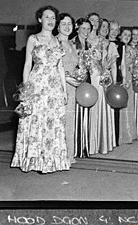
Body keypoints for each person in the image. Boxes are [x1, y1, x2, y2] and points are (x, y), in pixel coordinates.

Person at [11, 5, 70, 173]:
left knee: (53, 122)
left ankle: (51, 161)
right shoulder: (33, 39)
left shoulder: (58, 41)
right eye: (47, 17)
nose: (50, 21)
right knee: (36, 121)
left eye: (53, 18)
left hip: (54, 88)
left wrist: (64, 91)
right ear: (40, 19)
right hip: (37, 85)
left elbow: (60, 67)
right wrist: (25, 90)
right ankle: (34, 161)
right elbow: (27, 65)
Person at [87, 17, 118, 155]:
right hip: (93, 77)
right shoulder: (90, 42)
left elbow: (114, 66)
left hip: (106, 78)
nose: (105, 29)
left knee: (105, 107)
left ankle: (104, 143)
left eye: (107, 27)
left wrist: (115, 83)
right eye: (103, 26)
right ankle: (91, 143)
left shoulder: (111, 45)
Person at [56, 13, 79, 163]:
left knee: (69, 121)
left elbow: (74, 66)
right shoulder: (55, 42)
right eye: (63, 23)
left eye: (69, 23)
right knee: (59, 121)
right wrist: (68, 78)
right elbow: (53, 66)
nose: (67, 26)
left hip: (73, 87)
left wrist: (78, 75)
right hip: (59, 86)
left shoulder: (71, 44)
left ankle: (68, 155)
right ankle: (57, 157)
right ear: (57, 26)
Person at [71, 18, 92, 158]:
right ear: (77, 28)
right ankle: (76, 147)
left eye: (88, 29)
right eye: (83, 28)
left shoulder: (89, 45)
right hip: (75, 81)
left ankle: (83, 145)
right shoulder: (72, 43)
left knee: (85, 114)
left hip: (87, 81)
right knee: (76, 114)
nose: (86, 31)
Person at [119, 28, 137, 144]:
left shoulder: (130, 49)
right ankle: (123, 135)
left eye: (129, 35)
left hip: (130, 77)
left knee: (129, 104)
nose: (127, 36)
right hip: (122, 77)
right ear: (120, 35)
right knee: (122, 104)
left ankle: (129, 132)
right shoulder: (120, 47)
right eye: (125, 34)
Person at [108, 20, 122, 146]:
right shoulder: (103, 43)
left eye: (116, 30)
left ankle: (114, 139)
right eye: (111, 29)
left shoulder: (121, 45)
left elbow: (120, 65)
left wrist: (117, 81)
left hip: (117, 78)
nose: (114, 32)